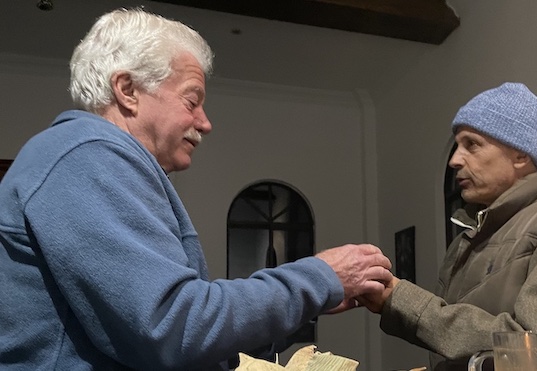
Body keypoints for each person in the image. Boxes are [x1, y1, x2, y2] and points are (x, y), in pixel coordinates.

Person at [0, 8, 392, 370]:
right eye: (192, 100)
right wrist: (320, 278)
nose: (204, 123)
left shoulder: (93, 158)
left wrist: (310, 298)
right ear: (127, 90)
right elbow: (173, 329)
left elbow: (189, 336)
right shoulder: (88, 154)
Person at [358, 82, 537, 371]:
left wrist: (401, 299)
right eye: (457, 146)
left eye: (472, 144)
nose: (455, 160)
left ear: (521, 154)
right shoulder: (468, 237)